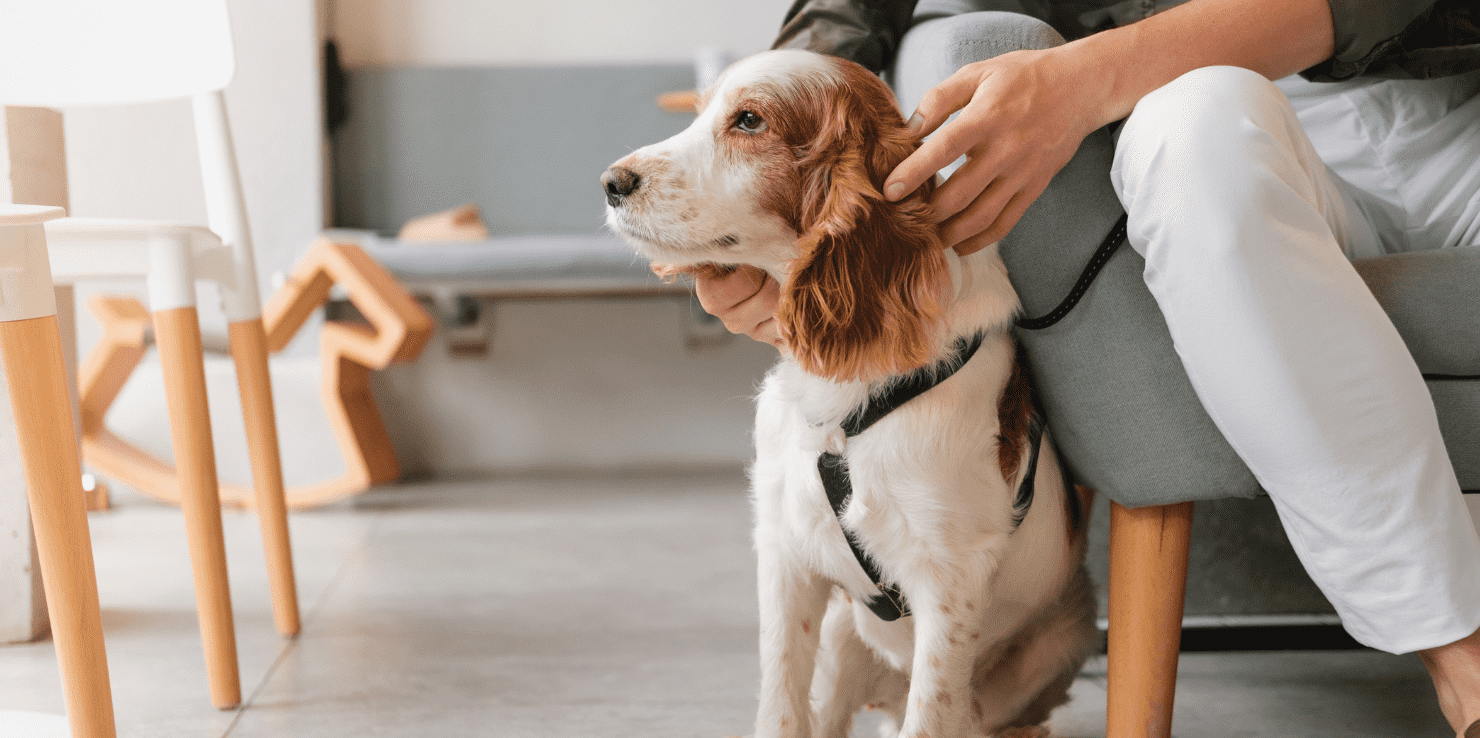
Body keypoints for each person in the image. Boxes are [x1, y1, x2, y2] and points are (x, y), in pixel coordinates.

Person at [688, 1, 1480, 735]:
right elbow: (849, 12)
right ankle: (1460, 654)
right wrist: (761, 174)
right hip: (1223, 125)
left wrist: (1091, 75)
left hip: (1456, 97)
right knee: (1193, 123)